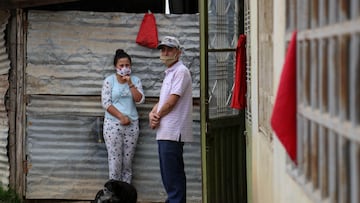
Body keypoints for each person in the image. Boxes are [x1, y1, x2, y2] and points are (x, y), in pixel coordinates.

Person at [148, 36, 193, 203]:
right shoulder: (170, 72)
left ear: (178, 52)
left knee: (173, 179)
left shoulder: (181, 71)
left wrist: (156, 116)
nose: (165, 53)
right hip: (165, 132)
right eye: (163, 49)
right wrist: (152, 114)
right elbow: (163, 100)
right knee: (169, 178)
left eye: (170, 49)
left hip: (173, 133)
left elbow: (172, 101)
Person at [101, 49, 145, 184]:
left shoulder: (136, 80)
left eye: (127, 65)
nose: (125, 68)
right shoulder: (109, 81)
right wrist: (121, 117)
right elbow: (106, 103)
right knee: (114, 161)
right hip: (112, 125)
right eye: (121, 65)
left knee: (127, 162)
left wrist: (130, 83)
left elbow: (140, 100)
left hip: (132, 126)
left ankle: (126, 194)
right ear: (116, 67)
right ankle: (114, 195)